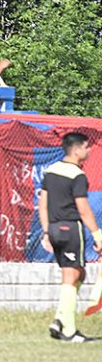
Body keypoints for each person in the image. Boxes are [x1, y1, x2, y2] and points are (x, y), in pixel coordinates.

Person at [39, 132, 102, 342]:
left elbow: (43, 203)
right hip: (70, 228)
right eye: (86, 147)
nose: (89, 150)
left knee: (79, 274)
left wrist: (47, 231)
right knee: (70, 275)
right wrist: (97, 234)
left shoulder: (50, 171)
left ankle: (59, 319)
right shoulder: (77, 175)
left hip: (55, 228)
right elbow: (83, 208)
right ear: (76, 150)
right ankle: (69, 331)